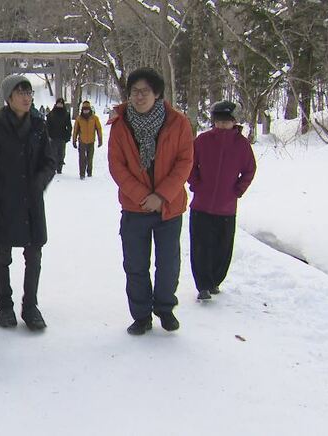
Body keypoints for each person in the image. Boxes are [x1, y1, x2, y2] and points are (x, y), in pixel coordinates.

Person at [107, 68, 194, 335]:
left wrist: (161, 196)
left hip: (169, 207)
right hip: (135, 208)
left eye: (145, 91)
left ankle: (165, 308)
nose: (139, 96)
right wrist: (144, 197)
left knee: (168, 264)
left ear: (157, 94)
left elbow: (185, 162)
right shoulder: (121, 125)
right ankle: (141, 315)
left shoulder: (178, 123)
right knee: (135, 265)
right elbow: (117, 166)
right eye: (135, 91)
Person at [0, 74, 57, 331]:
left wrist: (39, 181)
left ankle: (30, 306)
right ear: (8, 97)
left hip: (32, 202)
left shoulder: (38, 124)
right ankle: (5, 306)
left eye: (29, 92)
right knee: (2, 255)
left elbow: (50, 160)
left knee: (34, 255)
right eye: (20, 92)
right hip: (3, 203)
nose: (26, 97)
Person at [188, 101, 256, 300]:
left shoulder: (242, 145)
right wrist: (196, 184)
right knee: (201, 247)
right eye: (218, 121)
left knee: (222, 248)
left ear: (234, 122)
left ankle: (215, 281)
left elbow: (249, 170)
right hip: (201, 206)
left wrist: (237, 190)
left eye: (226, 121)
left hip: (226, 209)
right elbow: (189, 165)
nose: (222, 125)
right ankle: (202, 285)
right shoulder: (202, 140)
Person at [72, 100, 103, 179]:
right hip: (82, 141)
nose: (86, 111)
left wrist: (100, 140)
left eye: (87, 109)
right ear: (82, 109)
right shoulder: (79, 119)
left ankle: (89, 172)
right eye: (84, 109)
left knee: (90, 158)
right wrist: (74, 140)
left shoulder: (95, 118)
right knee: (82, 158)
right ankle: (82, 174)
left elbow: (99, 129)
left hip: (91, 141)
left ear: (90, 109)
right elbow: (75, 130)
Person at [46, 98, 72, 174]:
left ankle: (59, 167)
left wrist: (68, 135)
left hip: (62, 136)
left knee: (61, 154)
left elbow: (69, 126)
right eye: (58, 103)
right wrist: (48, 135)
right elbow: (47, 126)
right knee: (53, 153)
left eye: (61, 104)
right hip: (53, 137)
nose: (59, 105)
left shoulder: (66, 114)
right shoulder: (51, 114)